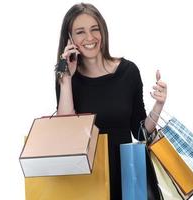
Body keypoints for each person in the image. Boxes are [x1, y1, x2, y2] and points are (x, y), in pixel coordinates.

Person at [55, 3, 167, 199]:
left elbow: (140, 132)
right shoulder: (66, 77)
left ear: (103, 31)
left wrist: (159, 104)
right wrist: (66, 80)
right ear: (70, 38)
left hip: (127, 174)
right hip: (87, 180)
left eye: (95, 29)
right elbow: (67, 134)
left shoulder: (128, 72)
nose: (90, 38)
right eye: (80, 32)